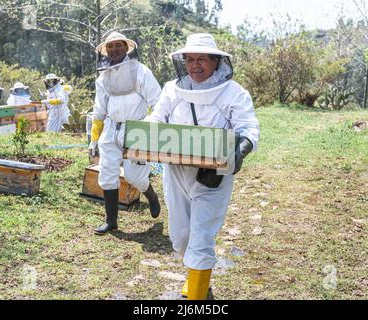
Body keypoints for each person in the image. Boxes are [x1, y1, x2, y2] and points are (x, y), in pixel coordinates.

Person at [146, 33, 260, 300]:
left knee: (200, 236)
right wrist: (140, 138)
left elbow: (248, 128)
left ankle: (196, 298)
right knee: (181, 235)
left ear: (216, 61)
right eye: (190, 59)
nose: (195, 65)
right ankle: (198, 280)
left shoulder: (234, 92)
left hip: (213, 175)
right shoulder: (172, 89)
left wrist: (238, 152)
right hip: (176, 172)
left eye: (201, 59)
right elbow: (156, 119)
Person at [89, 31, 162, 235]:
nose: (114, 49)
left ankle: (151, 195)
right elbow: (99, 109)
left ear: (127, 47)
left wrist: (149, 128)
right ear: (106, 51)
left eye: (118, 45)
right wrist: (94, 138)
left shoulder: (141, 71)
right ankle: (111, 221)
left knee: (134, 176)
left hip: (136, 128)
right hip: (112, 128)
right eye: (110, 46)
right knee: (107, 173)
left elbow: (158, 103)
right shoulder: (104, 76)